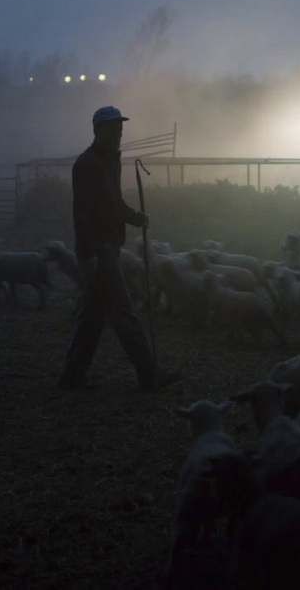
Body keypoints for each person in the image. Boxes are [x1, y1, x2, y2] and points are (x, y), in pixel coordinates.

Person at [56, 106, 183, 391]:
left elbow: (113, 205)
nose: (118, 135)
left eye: (120, 130)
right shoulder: (87, 164)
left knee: (92, 317)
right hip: (100, 250)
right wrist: (87, 253)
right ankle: (149, 374)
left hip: (108, 247)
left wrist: (136, 218)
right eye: (112, 129)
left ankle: (72, 377)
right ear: (97, 131)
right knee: (124, 313)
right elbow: (83, 213)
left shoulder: (110, 162)